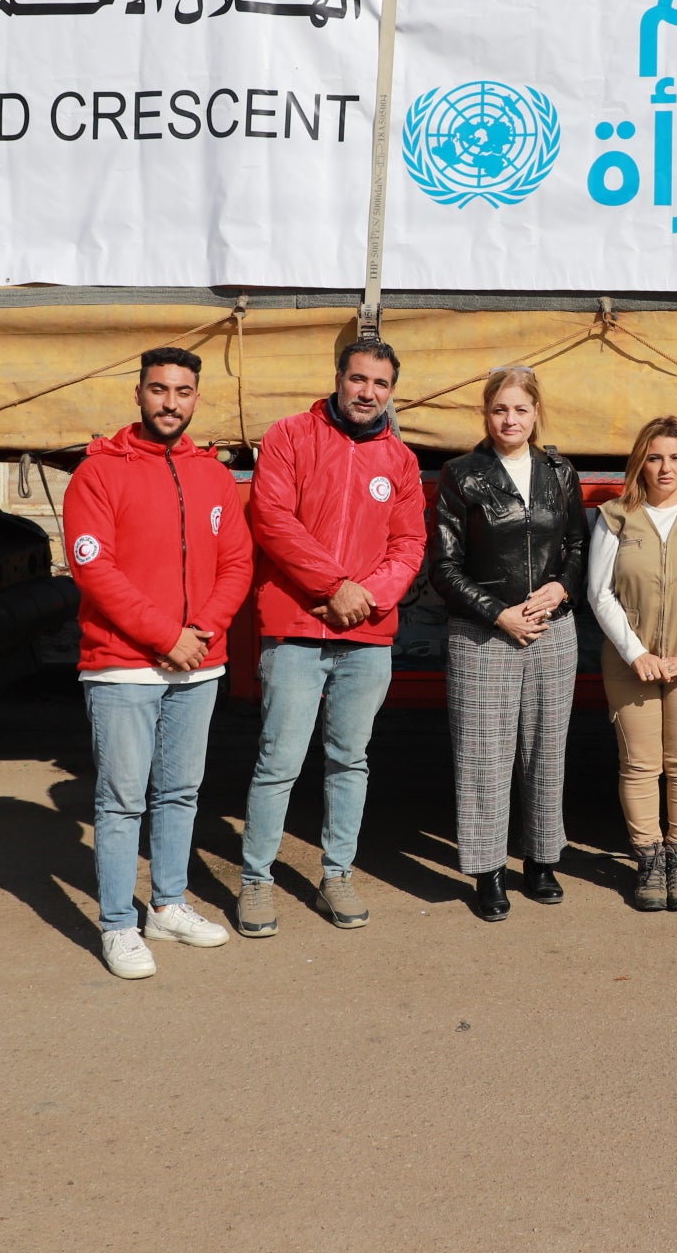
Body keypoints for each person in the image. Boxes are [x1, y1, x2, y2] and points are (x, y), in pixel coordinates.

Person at [61, 346, 253, 979]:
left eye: (183, 391)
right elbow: (95, 568)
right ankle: (118, 922)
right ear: (138, 393)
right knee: (120, 802)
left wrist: (202, 630)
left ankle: (167, 904)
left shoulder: (212, 474)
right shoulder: (98, 473)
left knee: (180, 791)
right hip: (123, 666)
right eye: (159, 390)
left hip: (199, 661)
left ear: (197, 397)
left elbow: (237, 562)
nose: (171, 402)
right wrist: (165, 635)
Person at [237, 337, 426, 934]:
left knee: (350, 760)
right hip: (295, 628)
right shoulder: (290, 436)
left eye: (381, 384)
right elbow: (272, 520)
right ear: (338, 378)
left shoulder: (400, 460)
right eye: (358, 379)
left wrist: (366, 596)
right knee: (279, 762)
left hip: (366, 634)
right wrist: (336, 585)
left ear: (391, 391)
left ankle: (337, 874)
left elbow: (409, 544)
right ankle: (256, 882)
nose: (368, 393)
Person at [429, 367, 588, 922]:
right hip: (483, 633)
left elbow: (577, 544)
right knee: (484, 754)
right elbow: (443, 569)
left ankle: (542, 859)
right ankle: (488, 869)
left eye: (521, 409)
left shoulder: (559, 472)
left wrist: (562, 585)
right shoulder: (462, 475)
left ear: (536, 412)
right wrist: (499, 613)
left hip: (551, 628)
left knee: (547, 749)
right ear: (486, 414)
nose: (510, 420)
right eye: (500, 409)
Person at [588, 416, 677, 913]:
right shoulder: (615, 516)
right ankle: (649, 863)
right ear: (640, 463)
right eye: (655, 457)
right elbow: (599, 593)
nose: (665, 467)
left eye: (676, 457)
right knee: (639, 765)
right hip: (632, 663)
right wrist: (638, 654)